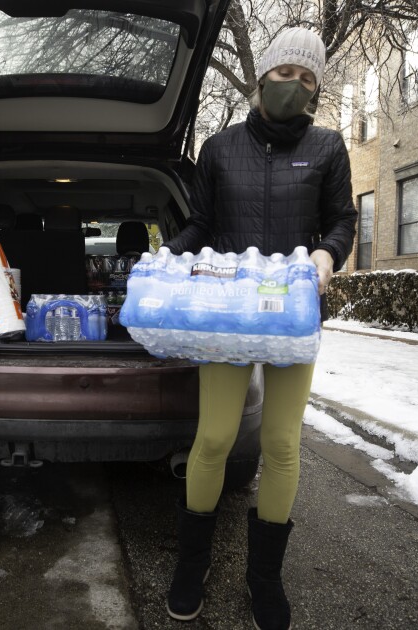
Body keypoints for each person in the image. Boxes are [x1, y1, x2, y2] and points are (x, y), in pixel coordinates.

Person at [161, 27, 357, 630]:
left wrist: (328, 254)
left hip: (294, 317)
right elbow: (200, 223)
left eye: (306, 77)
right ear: (261, 77)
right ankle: (191, 564)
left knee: (280, 444)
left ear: (316, 88)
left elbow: (341, 221)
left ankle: (264, 577)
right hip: (228, 314)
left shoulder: (327, 147)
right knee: (215, 438)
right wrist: (169, 256)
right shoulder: (219, 148)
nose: (292, 84)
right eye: (283, 73)